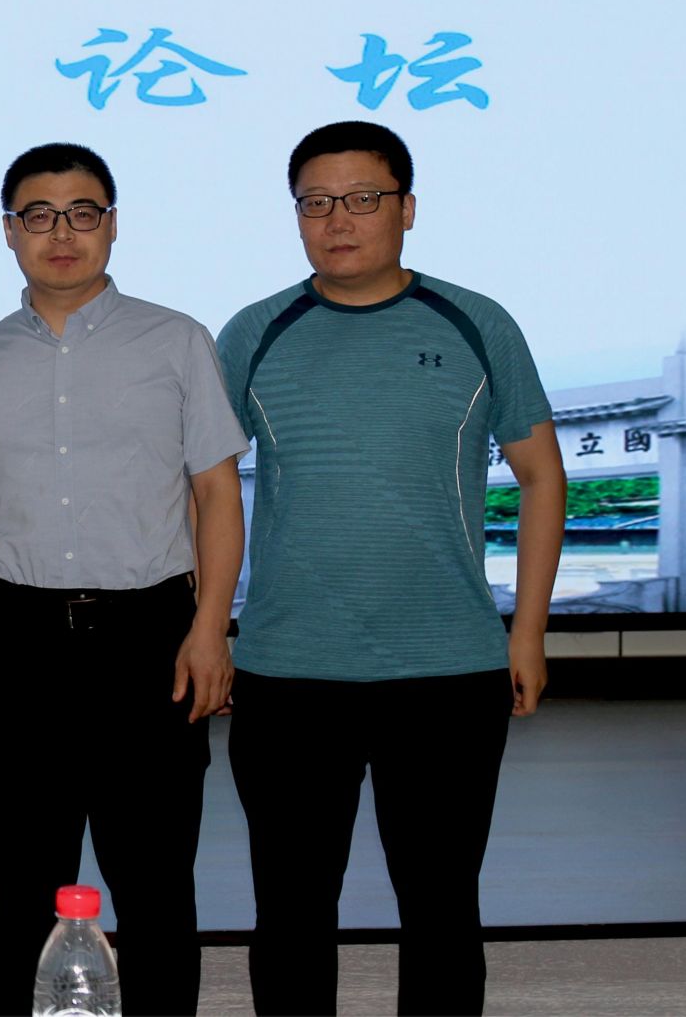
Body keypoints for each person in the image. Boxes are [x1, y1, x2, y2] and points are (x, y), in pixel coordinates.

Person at [216, 119, 564, 1015]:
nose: (339, 220)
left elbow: (541, 476)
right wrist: (206, 628)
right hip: (290, 671)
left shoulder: (478, 322)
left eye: (363, 198)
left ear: (407, 208)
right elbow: (206, 492)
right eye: (316, 202)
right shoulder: (254, 332)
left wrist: (526, 631)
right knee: (291, 911)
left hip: (447, 669)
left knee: (442, 908)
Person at [0, 143, 247, 1016]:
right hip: (19, 642)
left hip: (150, 640)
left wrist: (210, 628)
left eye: (82, 212)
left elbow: (215, 493)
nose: (62, 232)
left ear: (111, 225)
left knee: (156, 887)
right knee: (22, 887)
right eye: (38, 215)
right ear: (9, 231)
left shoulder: (176, 340)